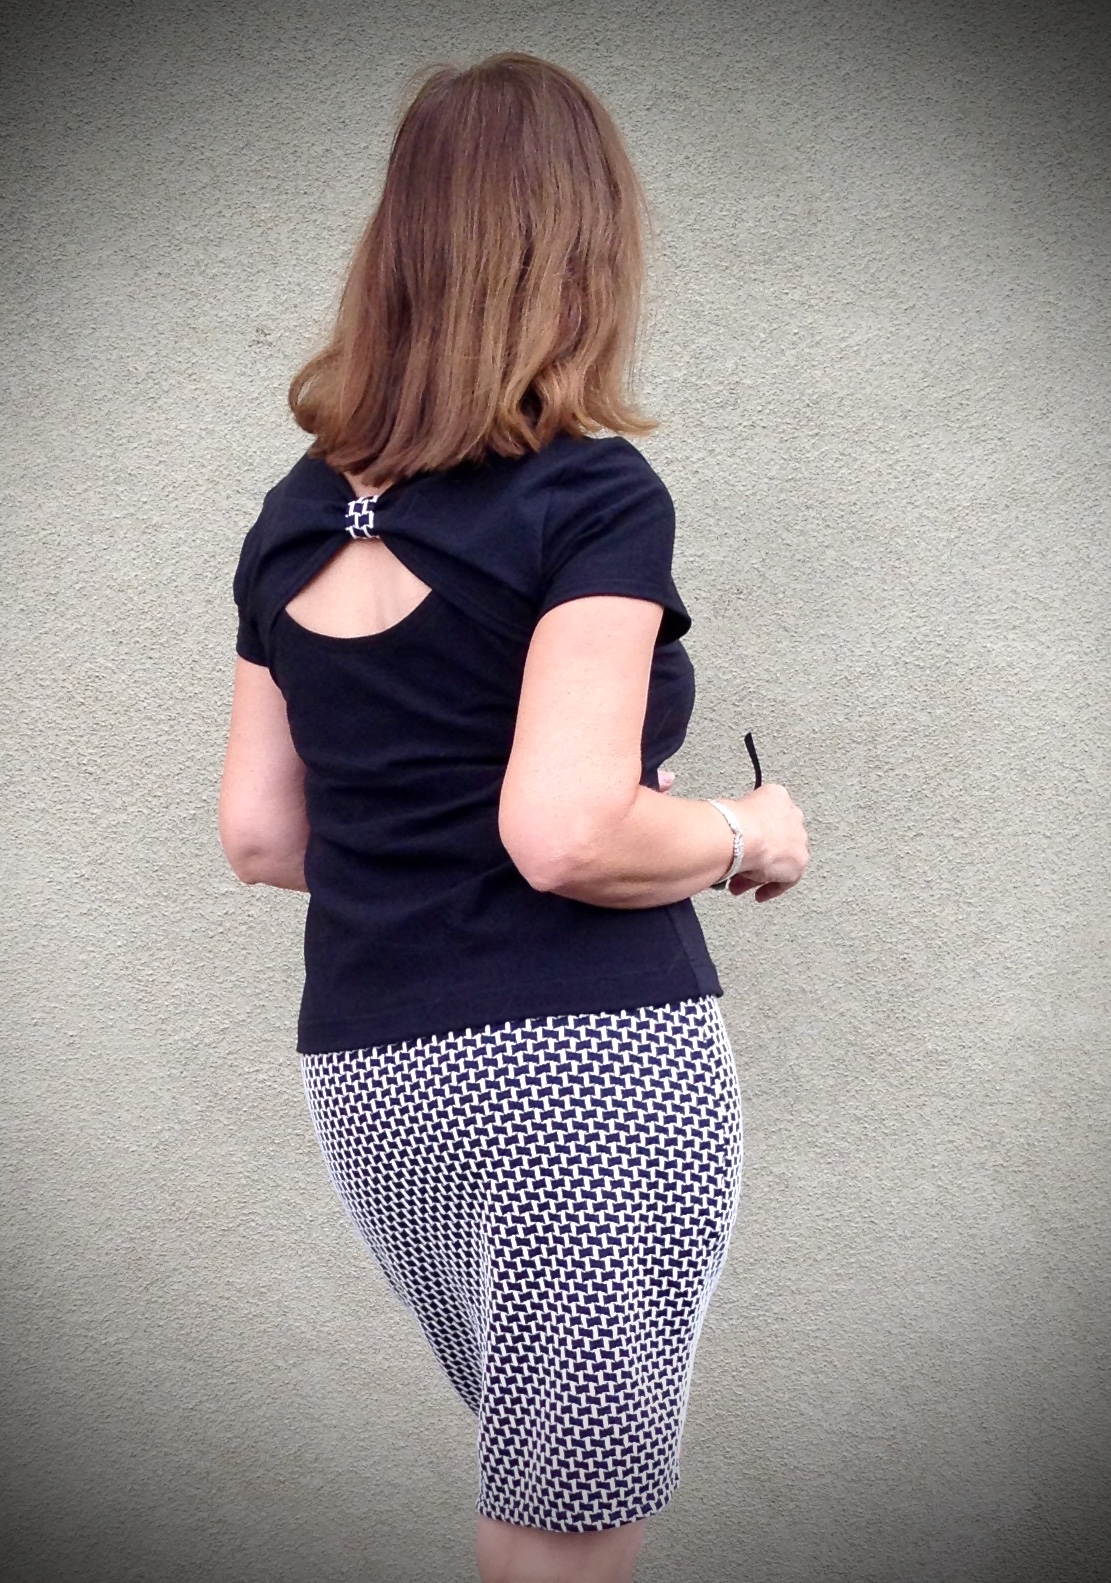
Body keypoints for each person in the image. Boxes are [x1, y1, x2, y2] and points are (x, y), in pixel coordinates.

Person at [218, 52, 809, 1583]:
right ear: (583, 255)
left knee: (544, 1478)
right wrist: (744, 832)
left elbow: (264, 836)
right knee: (562, 1528)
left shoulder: (293, 515)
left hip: (373, 1075)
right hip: (579, 1069)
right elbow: (569, 835)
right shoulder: (591, 498)